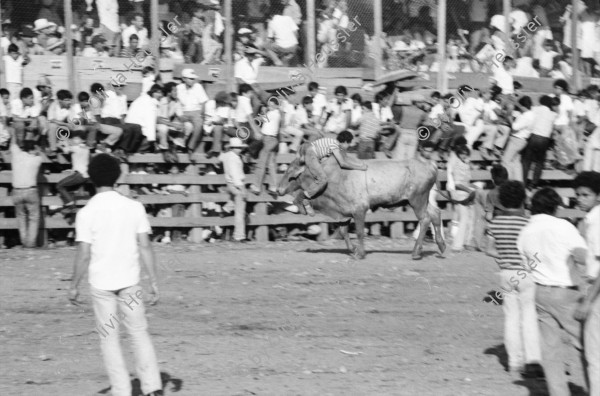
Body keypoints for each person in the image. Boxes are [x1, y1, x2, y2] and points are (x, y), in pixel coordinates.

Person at [68, 153, 163, 396]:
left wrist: (73, 285)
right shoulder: (134, 207)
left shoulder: (86, 212)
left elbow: (84, 253)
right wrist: (153, 280)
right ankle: (152, 387)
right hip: (130, 284)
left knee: (109, 338)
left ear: (91, 178)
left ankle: (121, 390)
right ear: (117, 176)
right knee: (138, 331)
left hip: (102, 286)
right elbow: (144, 246)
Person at [517, 188, 589, 396]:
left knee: (550, 349)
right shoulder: (562, 226)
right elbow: (582, 257)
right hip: (566, 291)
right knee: (588, 343)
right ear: (556, 207)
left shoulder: (526, 231)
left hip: (540, 291)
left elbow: (528, 265)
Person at [486, 181, 542, 376]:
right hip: (526, 273)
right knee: (529, 317)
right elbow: (535, 253)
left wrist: (505, 258)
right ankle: (533, 359)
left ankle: (514, 361)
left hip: (506, 274)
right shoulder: (528, 222)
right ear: (523, 200)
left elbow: (490, 249)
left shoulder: (496, 222)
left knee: (511, 317)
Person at [294, 131, 367, 216]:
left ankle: (305, 201)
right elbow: (342, 163)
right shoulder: (335, 146)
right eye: (349, 143)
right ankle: (300, 199)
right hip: (311, 154)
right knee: (323, 179)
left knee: (321, 178)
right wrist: (360, 168)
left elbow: (324, 157)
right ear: (345, 142)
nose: (348, 146)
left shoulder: (332, 143)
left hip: (310, 152)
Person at [572, 171, 600, 396]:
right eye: (578, 195)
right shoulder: (591, 219)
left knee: (594, 354)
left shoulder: (597, 221)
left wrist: (588, 300)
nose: (579, 199)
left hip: (596, 289)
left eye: (585, 195)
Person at [9, 131, 42, 249]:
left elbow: (13, 144)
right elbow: (40, 153)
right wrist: (37, 148)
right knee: (34, 218)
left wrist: (13, 134)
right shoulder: (36, 159)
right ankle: (30, 244)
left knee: (21, 217)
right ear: (33, 149)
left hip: (17, 190)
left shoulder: (16, 154)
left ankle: (24, 242)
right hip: (31, 190)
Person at [521, 95, 558, 189]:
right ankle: (534, 183)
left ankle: (523, 181)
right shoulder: (553, 114)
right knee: (539, 162)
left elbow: (525, 109)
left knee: (526, 161)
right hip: (545, 139)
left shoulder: (535, 109)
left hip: (534, 136)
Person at [219, 138, 249, 242]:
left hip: (229, 184)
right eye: (238, 148)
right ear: (233, 148)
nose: (240, 150)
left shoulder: (226, 156)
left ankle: (226, 209)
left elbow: (220, 158)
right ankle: (239, 235)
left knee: (234, 200)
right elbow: (235, 175)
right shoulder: (234, 158)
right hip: (236, 184)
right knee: (240, 211)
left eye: (240, 148)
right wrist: (242, 189)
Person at [249, 100, 281, 196]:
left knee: (261, 163)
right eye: (269, 105)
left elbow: (261, 119)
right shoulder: (277, 114)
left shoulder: (272, 113)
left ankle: (256, 186)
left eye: (272, 105)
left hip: (268, 139)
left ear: (276, 106)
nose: (270, 106)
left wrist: (254, 117)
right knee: (271, 164)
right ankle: (273, 186)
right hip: (273, 139)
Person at [177, 68, 209, 157]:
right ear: (184, 79)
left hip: (196, 112)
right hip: (184, 112)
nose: (192, 80)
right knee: (183, 125)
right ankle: (178, 146)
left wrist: (201, 114)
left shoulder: (198, 86)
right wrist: (180, 115)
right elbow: (178, 103)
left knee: (199, 124)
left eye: (193, 79)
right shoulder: (179, 88)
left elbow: (203, 102)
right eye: (190, 79)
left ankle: (190, 147)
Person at [56, 131, 90, 210]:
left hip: (80, 174)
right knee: (68, 188)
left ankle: (71, 206)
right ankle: (70, 205)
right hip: (84, 174)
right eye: (74, 138)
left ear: (83, 140)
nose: (74, 140)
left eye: (77, 139)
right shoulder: (86, 148)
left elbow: (66, 150)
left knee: (59, 186)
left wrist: (60, 145)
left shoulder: (76, 148)